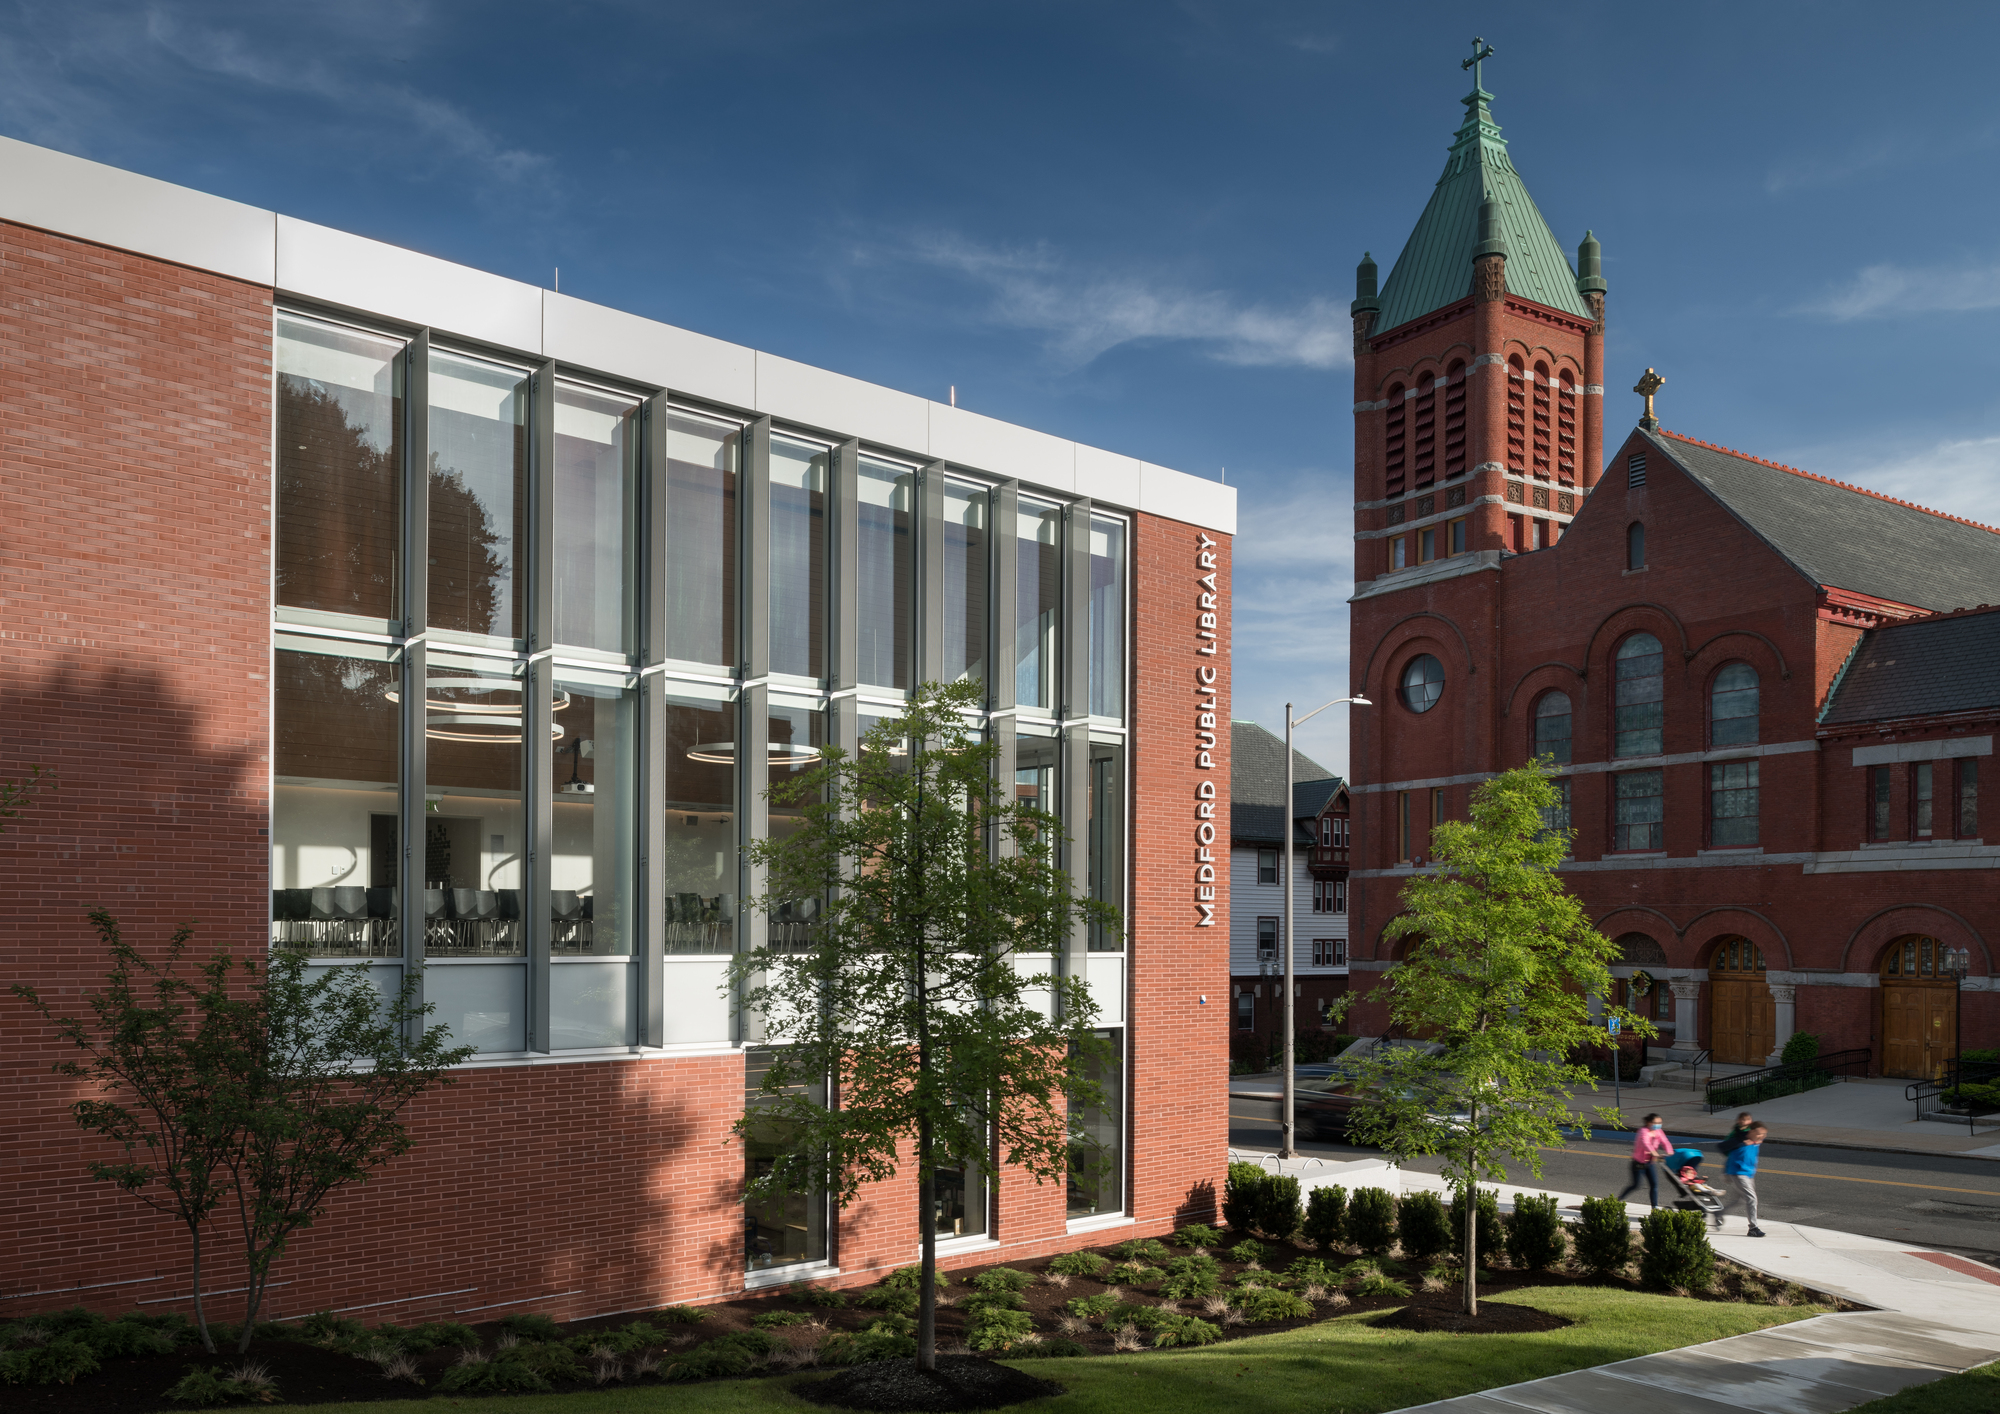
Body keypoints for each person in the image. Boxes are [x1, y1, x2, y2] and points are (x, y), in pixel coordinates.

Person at [1718, 1122, 1768, 1237]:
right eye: (1760, 1134)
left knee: (1739, 1200)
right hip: (1738, 1174)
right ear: (1751, 1131)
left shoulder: (1756, 1142)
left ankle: (1718, 1213)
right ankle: (1753, 1228)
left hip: (1749, 1175)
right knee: (1752, 1198)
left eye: (1764, 1134)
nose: (1763, 1136)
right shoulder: (1740, 1141)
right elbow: (1723, 1149)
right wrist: (1725, 1173)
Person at [1618, 1113, 1674, 1208]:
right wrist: (1654, 1153)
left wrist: (1670, 1152)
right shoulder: (1643, 1131)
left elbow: (1665, 1142)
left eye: (1660, 1123)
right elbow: (1645, 1143)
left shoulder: (1658, 1132)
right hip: (1638, 1163)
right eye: (1656, 1123)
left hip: (1650, 1163)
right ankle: (1619, 1199)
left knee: (1654, 1184)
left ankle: (1654, 1207)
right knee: (1635, 1185)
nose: (1658, 1125)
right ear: (1648, 1122)